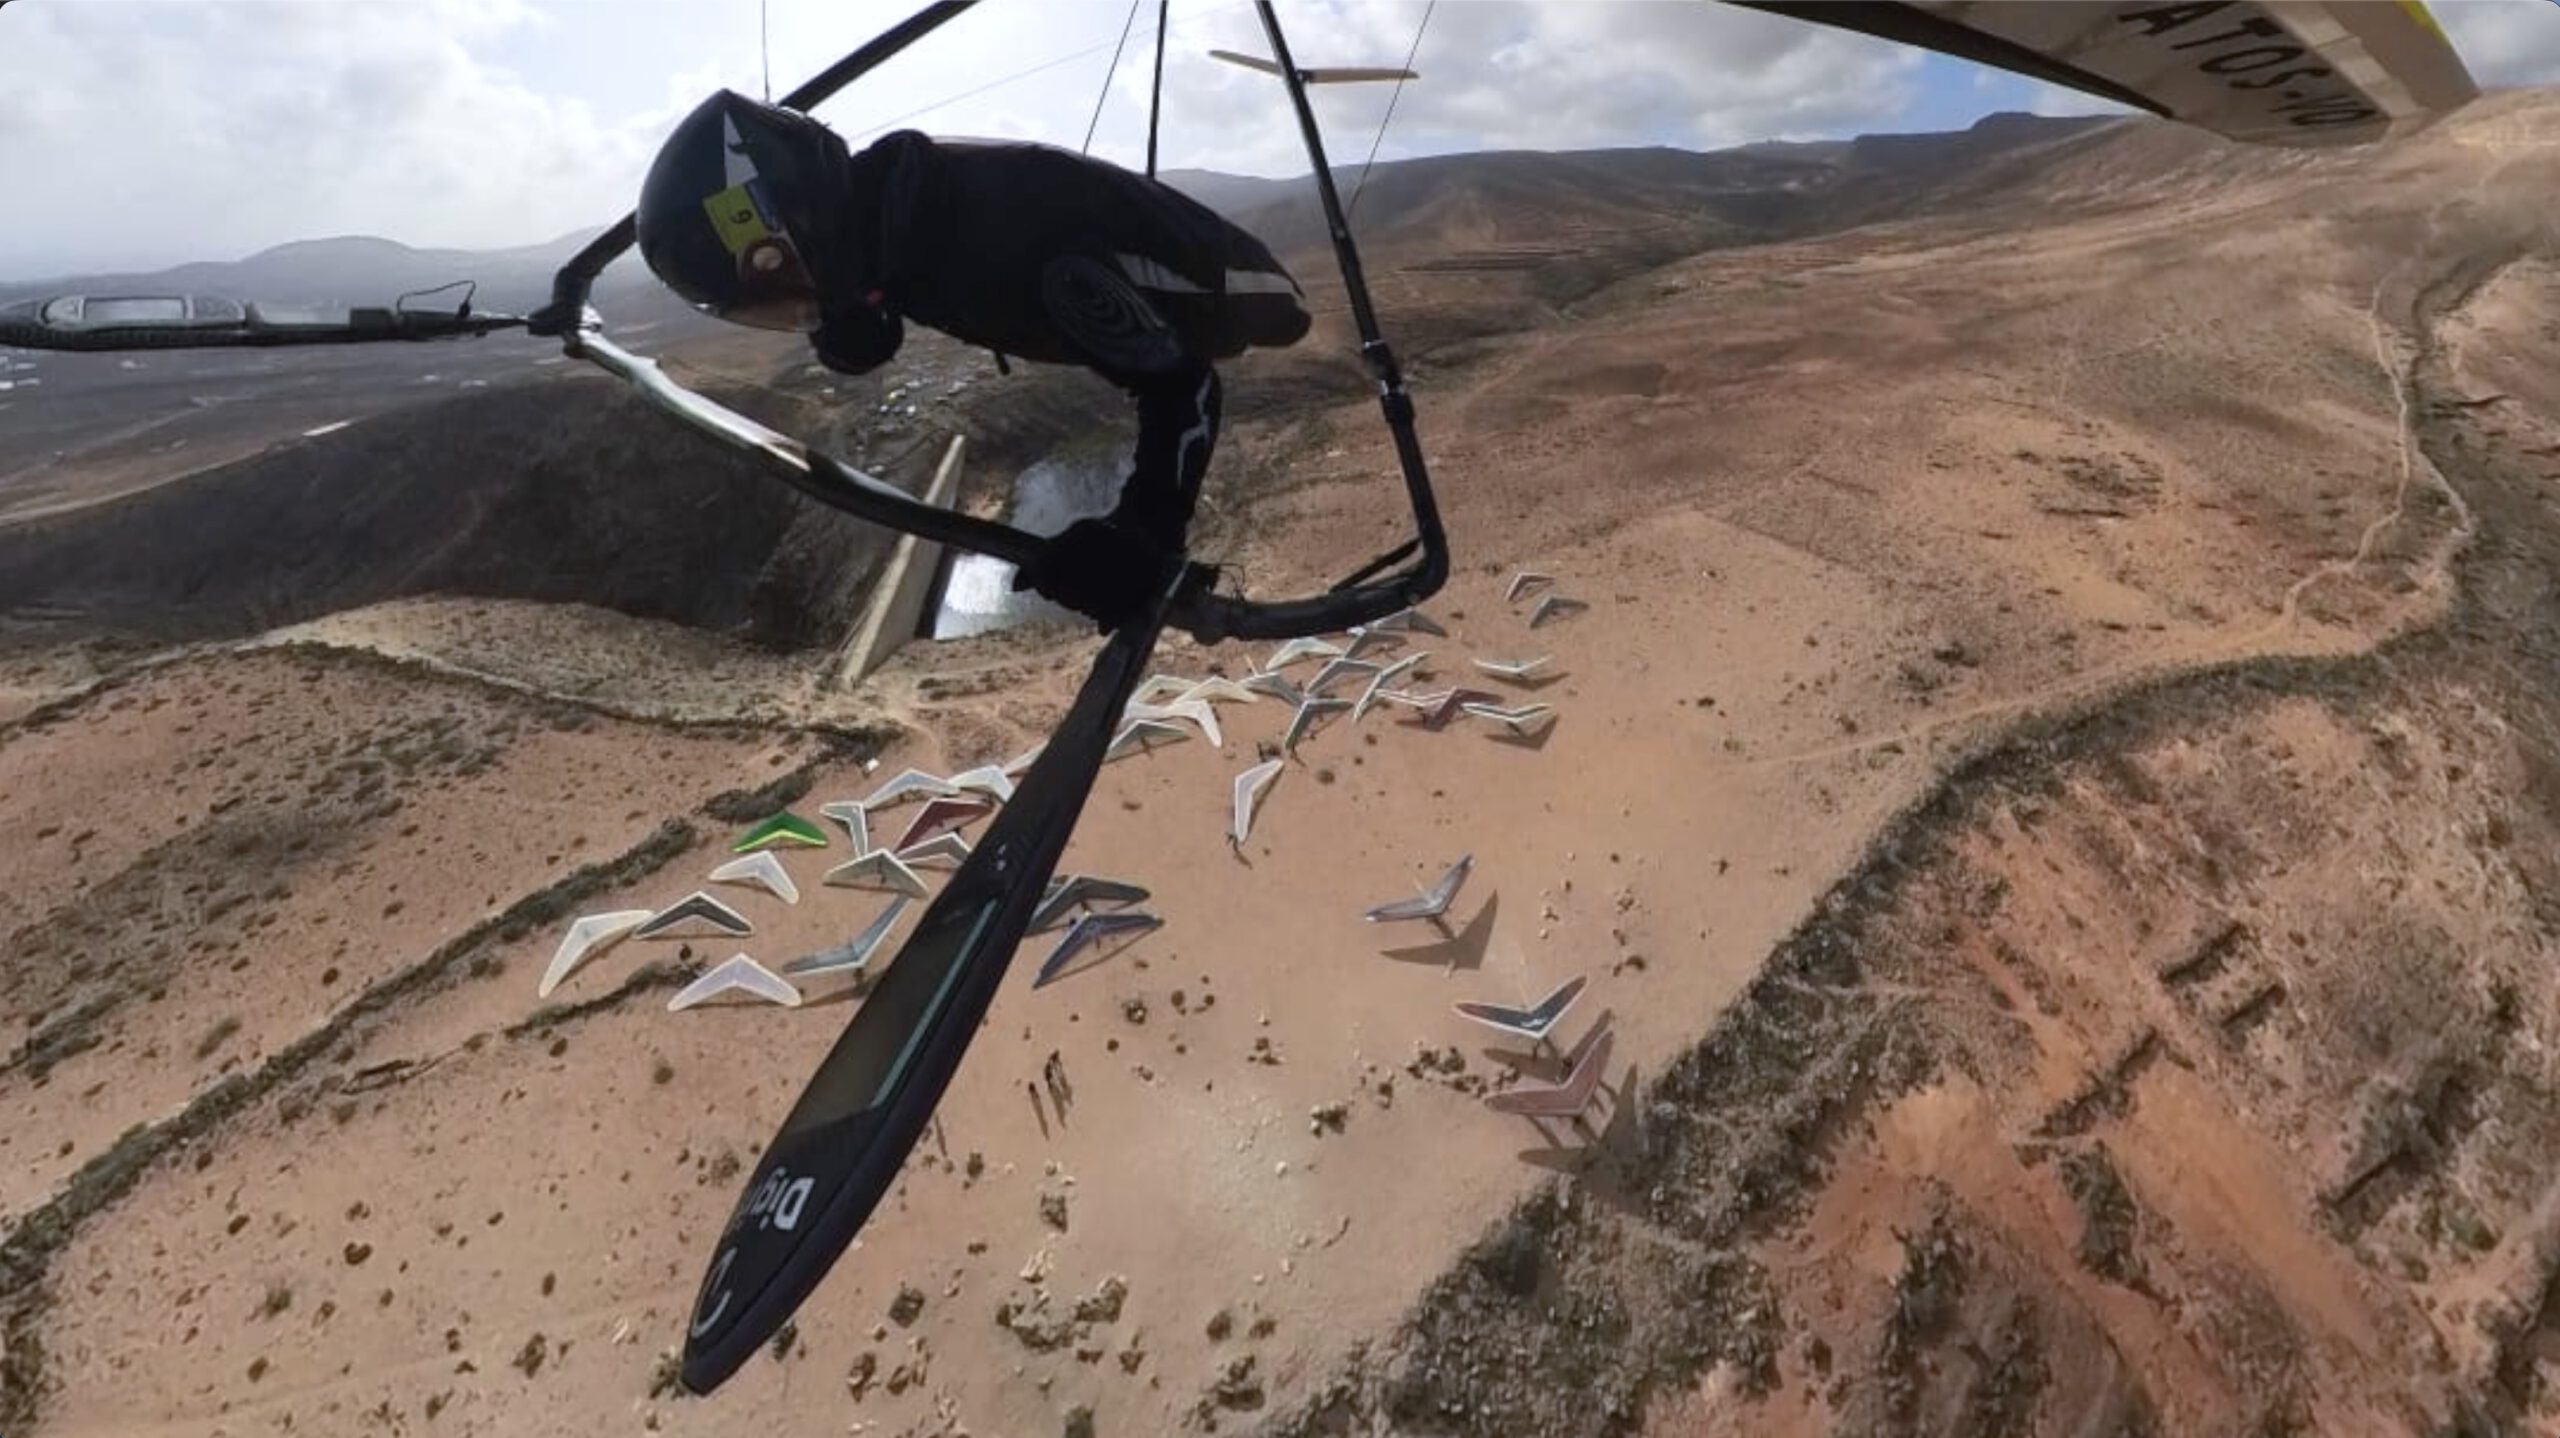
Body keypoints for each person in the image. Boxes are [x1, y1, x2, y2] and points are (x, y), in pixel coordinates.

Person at [636, 90, 1313, 631]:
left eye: (780, 277)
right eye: (768, 300)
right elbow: (877, 268)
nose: (789, 306)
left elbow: (1184, 385)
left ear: (800, 220)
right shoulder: (891, 213)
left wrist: (1146, 529)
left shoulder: (1017, 246)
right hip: (1053, 267)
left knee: (1117, 321)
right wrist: (846, 307)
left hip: (1238, 290)